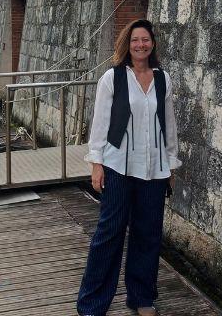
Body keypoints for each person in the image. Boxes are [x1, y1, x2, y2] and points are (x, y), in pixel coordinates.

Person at [77, 19, 180, 316]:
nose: (140, 45)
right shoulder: (113, 78)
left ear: (152, 44)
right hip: (117, 167)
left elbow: (168, 124)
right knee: (109, 235)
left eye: (145, 40)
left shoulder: (162, 79)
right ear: (127, 44)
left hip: (154, 170)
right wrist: (96, 164)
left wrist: (171, 164)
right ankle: (92, 305)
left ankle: (141, 297)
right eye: (135, 40)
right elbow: (100, 124)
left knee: (148, 235)